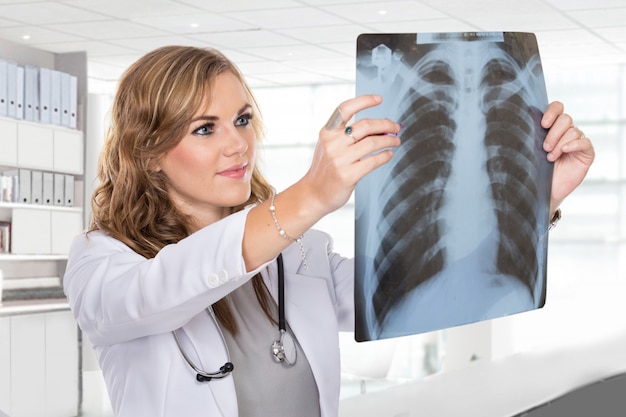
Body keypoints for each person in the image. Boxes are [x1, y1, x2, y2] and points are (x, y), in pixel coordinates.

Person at [62, 45, 595, 417]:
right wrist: (311, 196)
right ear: (150, 153)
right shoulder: (103, 262)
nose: (237, 146)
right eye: (205, 128)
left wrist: (537, 202)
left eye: (243, 120)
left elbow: (437, 292)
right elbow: (160, 291)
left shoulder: (301, 256)